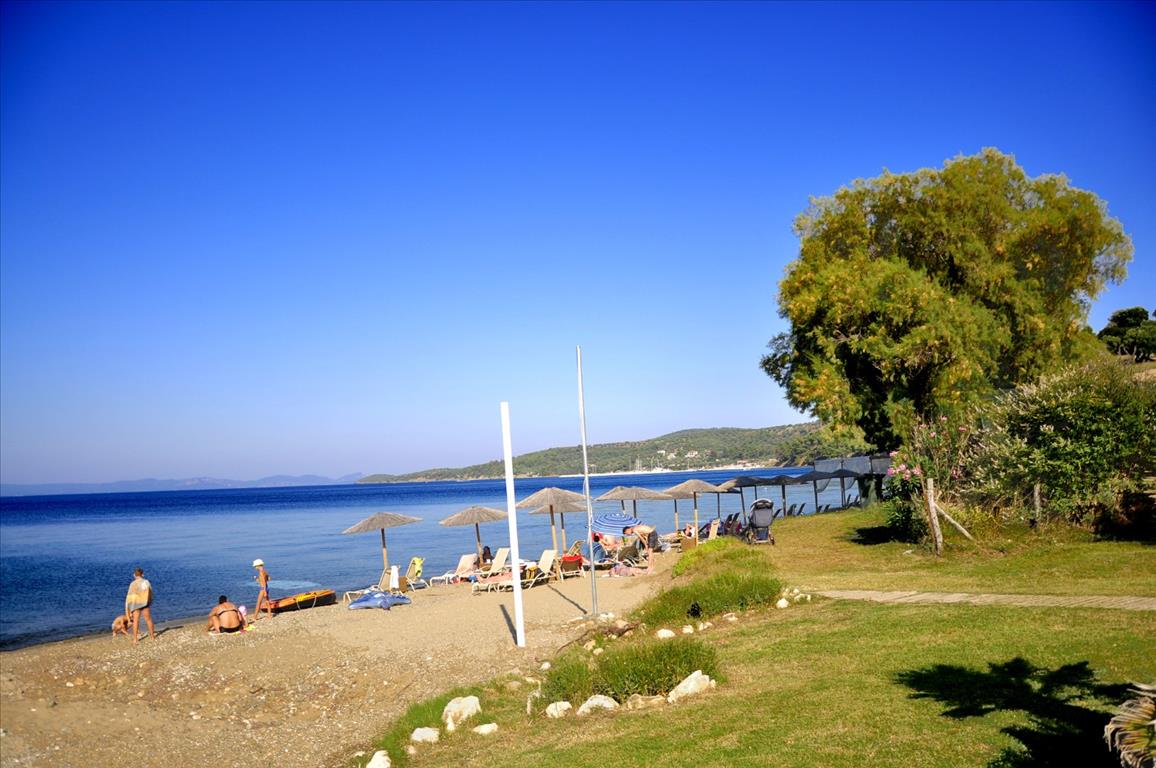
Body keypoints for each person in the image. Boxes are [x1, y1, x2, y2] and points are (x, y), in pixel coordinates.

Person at [124, 568, 155, 644]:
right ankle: (152, 637)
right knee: (148, 620)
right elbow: (150, 592)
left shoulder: (132, 584)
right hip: (144, 603)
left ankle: (135, 640)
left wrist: (129, 606)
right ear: (142, 574)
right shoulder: (146, 582)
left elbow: (129, 595)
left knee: (135, 621)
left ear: (134, 575)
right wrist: (149, 600)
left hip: (135, 604)